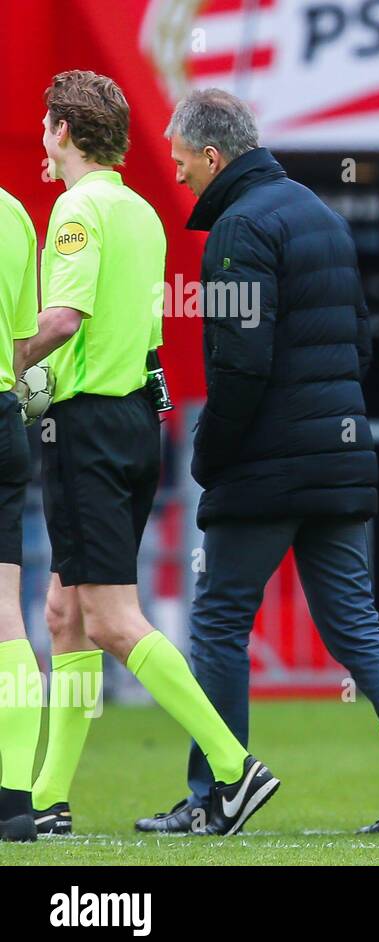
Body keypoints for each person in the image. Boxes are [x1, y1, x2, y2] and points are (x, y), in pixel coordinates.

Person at [128, 89, 379, 836]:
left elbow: (241, 366)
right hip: (339, 455)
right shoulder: (320, 215)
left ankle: (216, 794)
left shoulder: (239, 229)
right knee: (358, 626)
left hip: (269, 463)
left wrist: (209, 451)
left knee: (216, 622)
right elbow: (363, 344)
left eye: (181, 162)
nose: (176, 176)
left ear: (214, 156)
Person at [16, 71, 278, 837]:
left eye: (45, 124)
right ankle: (48, 801)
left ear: (63, 131)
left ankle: (233, 768)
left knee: (107, 618)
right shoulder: (139, 211)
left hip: (87, 428)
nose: (41, 137)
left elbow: (62, 319)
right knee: (64, 612)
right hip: (133, 421)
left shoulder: (77, 209)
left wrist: (10, 363)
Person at [0, 184, 40, 842]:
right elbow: (26, 340)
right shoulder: (15, 212)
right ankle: (15, 802)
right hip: (6, 413)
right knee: (7, 609)